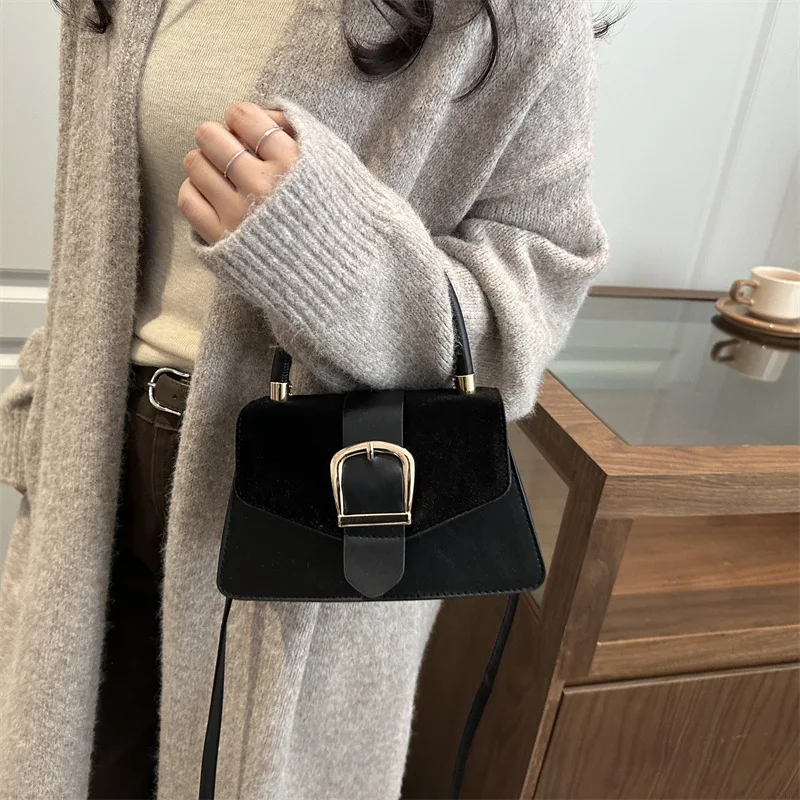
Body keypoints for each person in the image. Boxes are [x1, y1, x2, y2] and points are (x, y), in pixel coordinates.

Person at [0, 0, 610, 797]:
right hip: (93, 463)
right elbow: (93, 231)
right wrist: (36, 417)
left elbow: (533, 303)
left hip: (318, 501)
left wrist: (332, 254)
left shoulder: (513, 17)